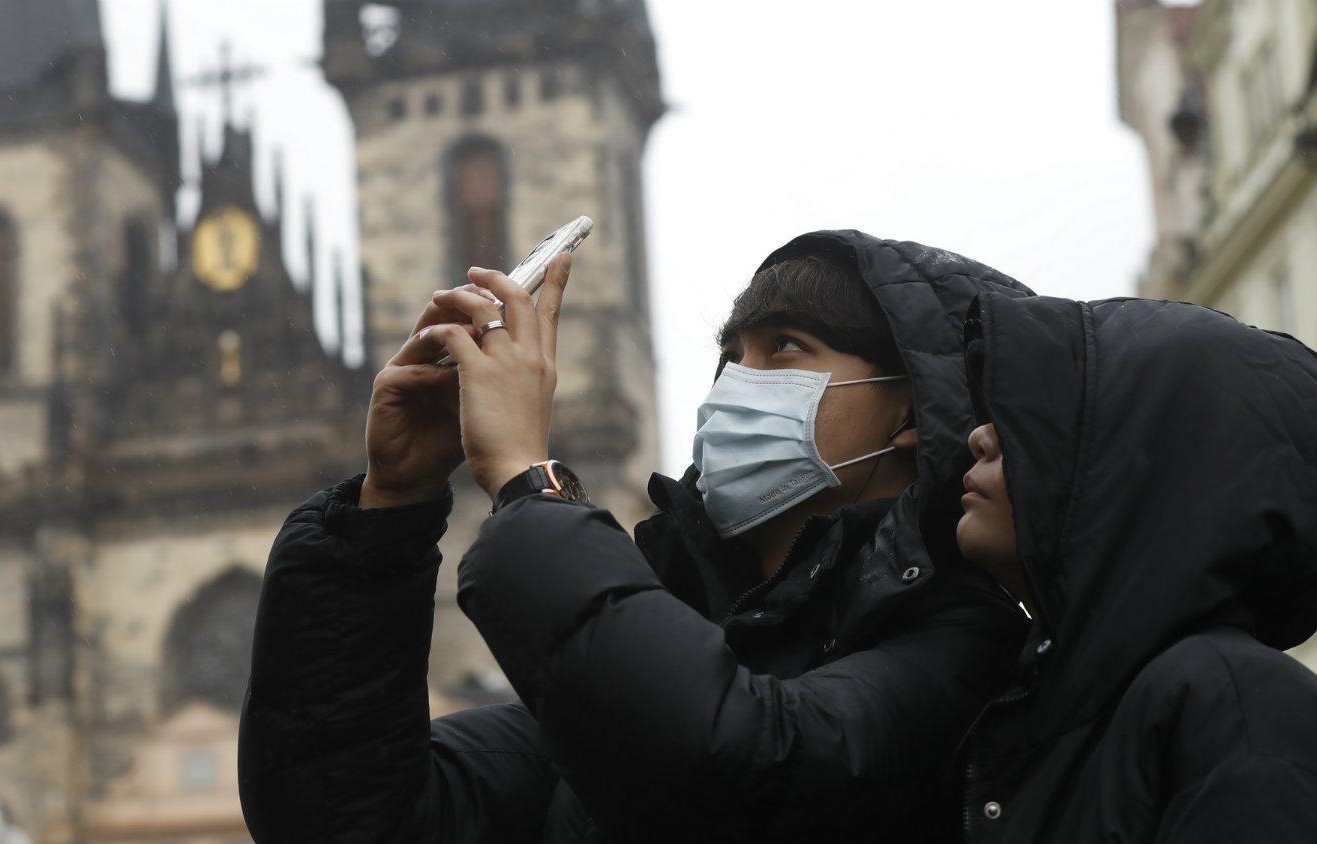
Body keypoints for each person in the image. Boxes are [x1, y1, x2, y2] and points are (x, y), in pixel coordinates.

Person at [239, 231, 1034, 842]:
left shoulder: (966, 640)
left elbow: (733, 761)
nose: (738, 385)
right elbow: (349, 816)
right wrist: (391, 509)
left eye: (783, 348)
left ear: (913, 411)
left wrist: (529, 482)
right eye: (730, 356)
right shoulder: (681, 628)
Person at [953, 292, 1317, 842]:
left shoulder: (1231, 702)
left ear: (1133, 469)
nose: (980, 436)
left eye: (1035, 417)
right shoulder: (1041, 706)